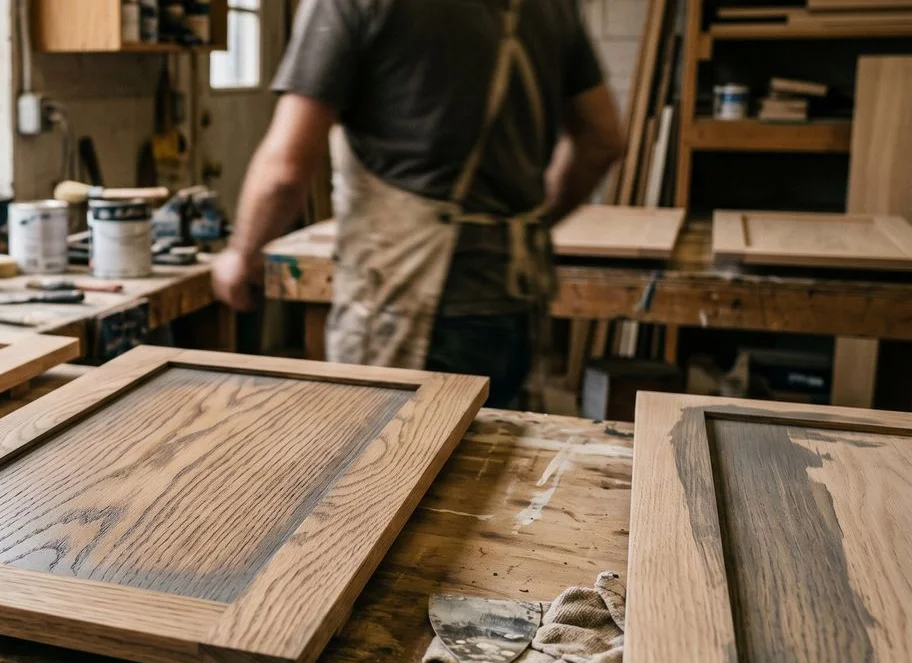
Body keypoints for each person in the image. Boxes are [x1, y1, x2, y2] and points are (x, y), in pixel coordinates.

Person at [211, 0, 625, 408]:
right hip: (516, 293)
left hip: (409, 303)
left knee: (386, 463)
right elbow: (603, 138)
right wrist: (521, 226)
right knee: (491, 464)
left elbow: (285, 169)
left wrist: (241, 255)